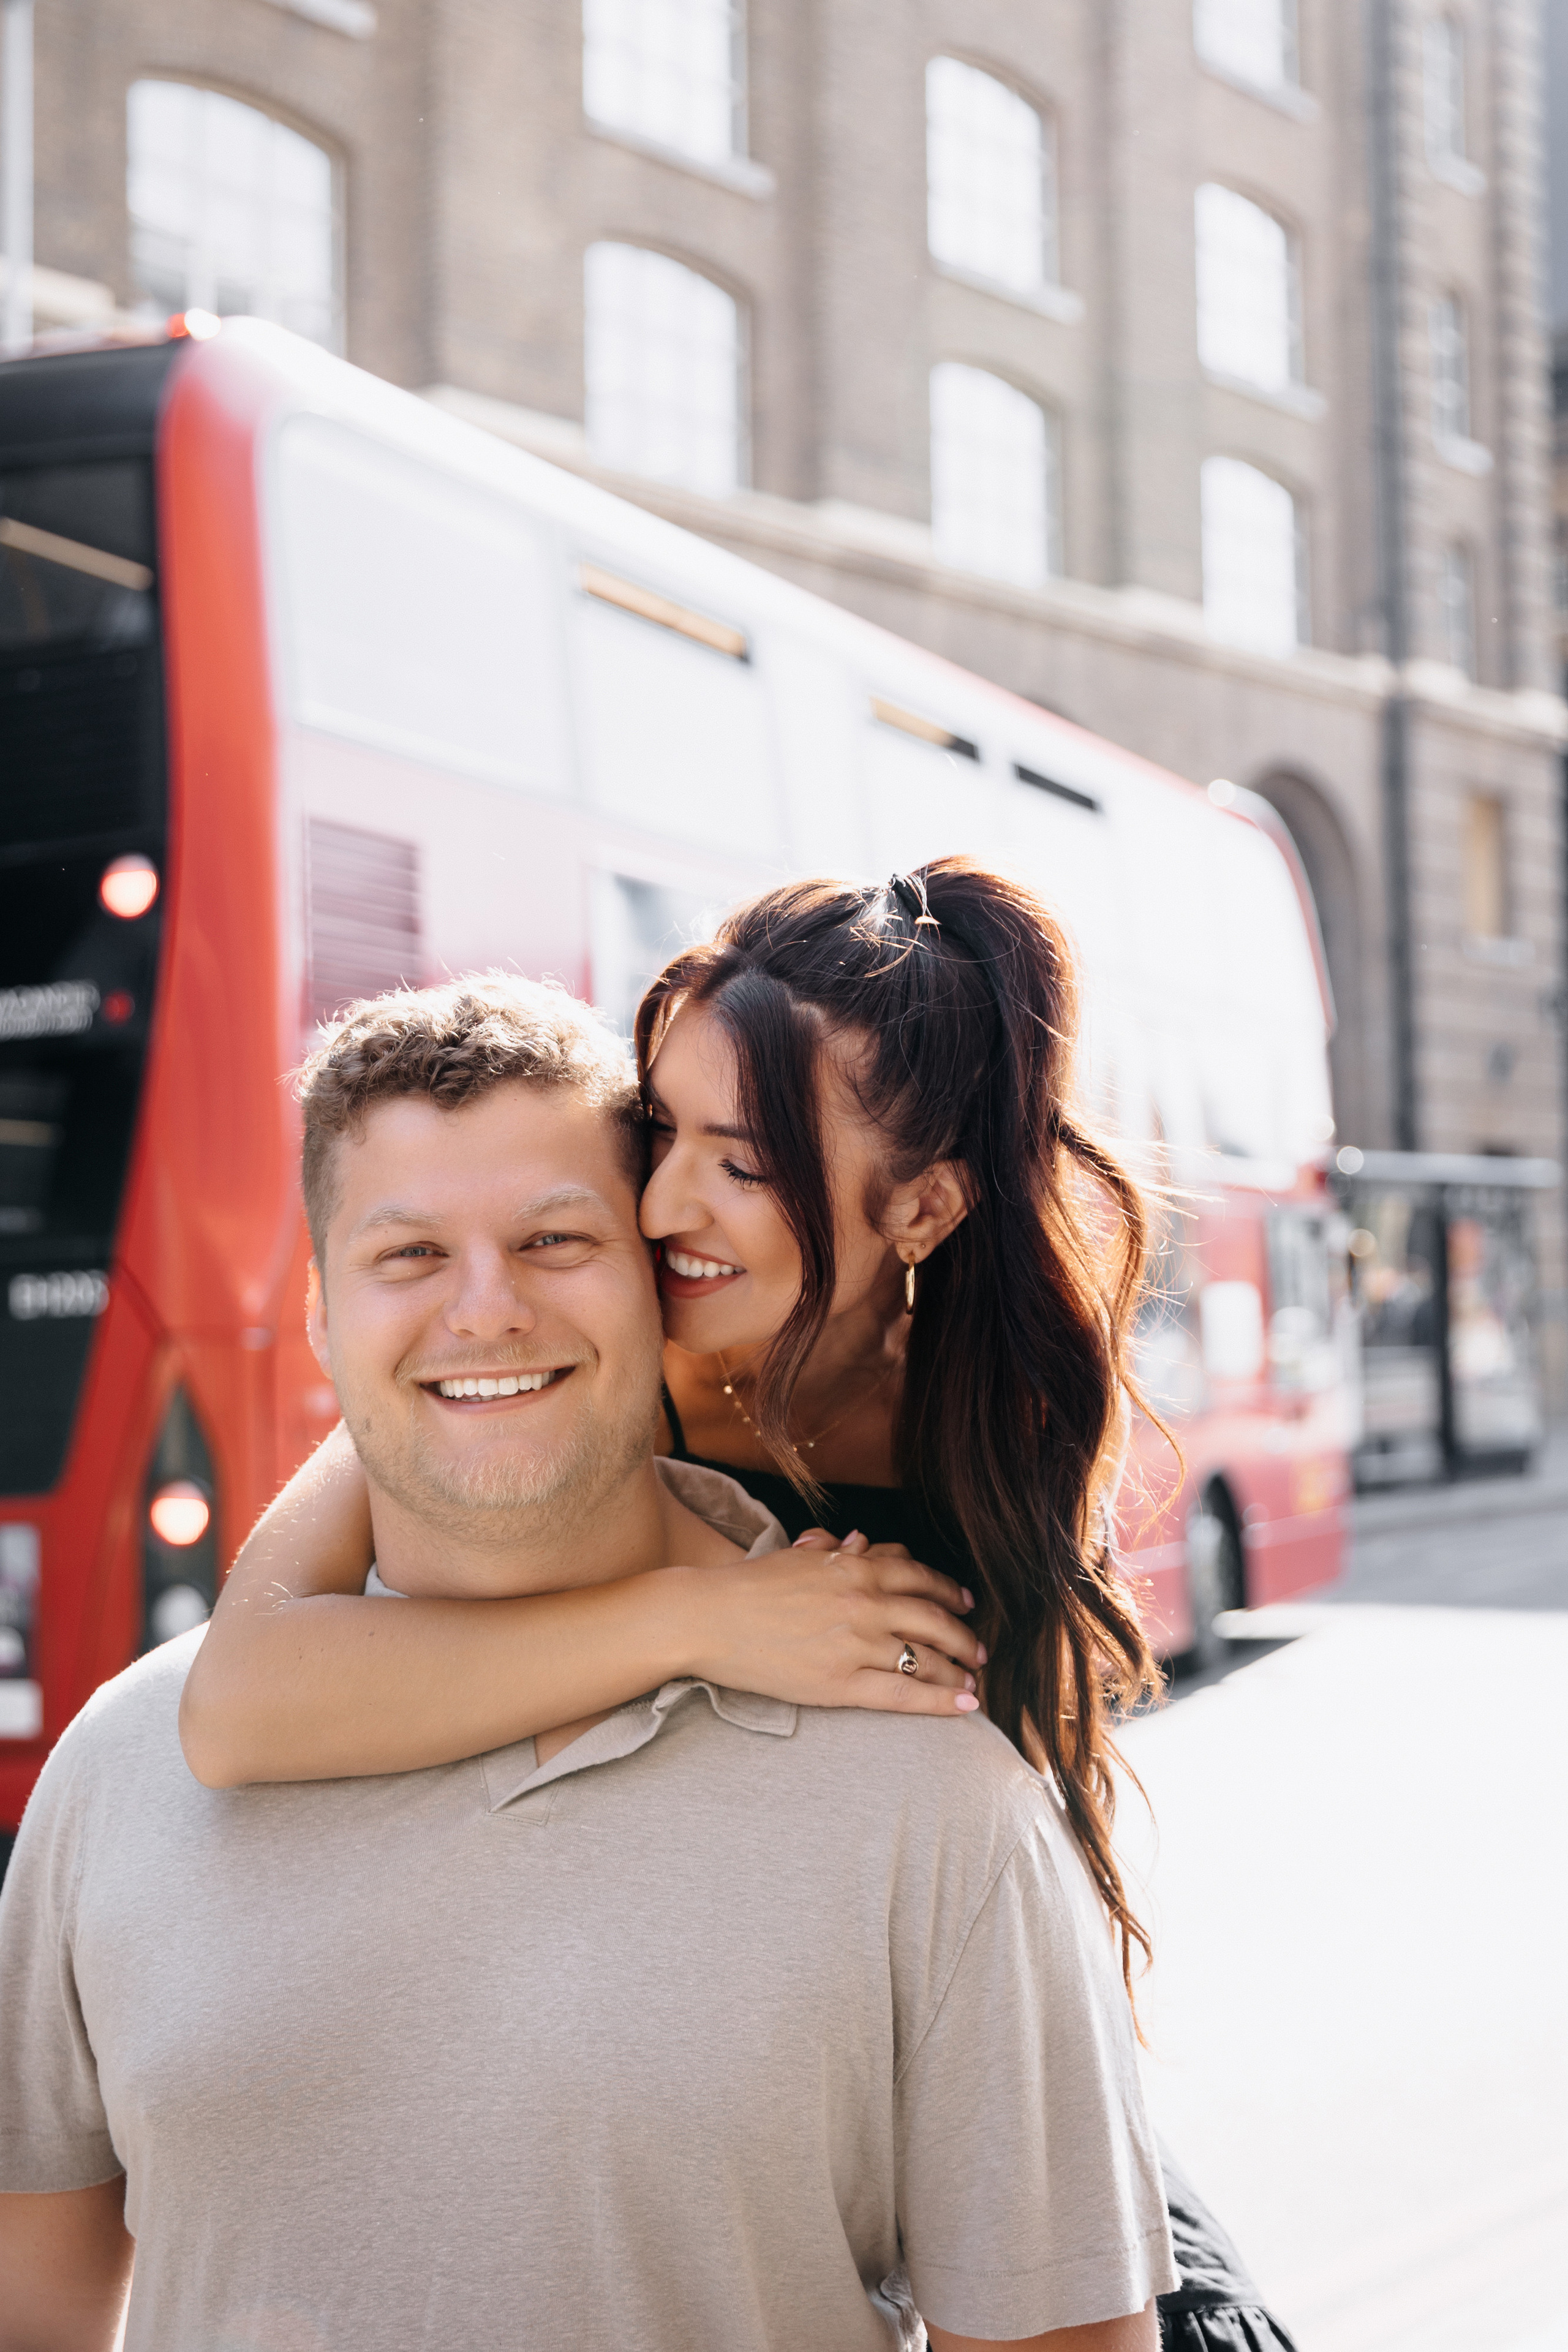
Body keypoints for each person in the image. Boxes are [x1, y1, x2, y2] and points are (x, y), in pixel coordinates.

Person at [179, 858, 1298, 2351]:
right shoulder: (571, 1335)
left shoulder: (990, 1436)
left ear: (920, 1207)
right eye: (662, 1131)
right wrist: (710, 1621)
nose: (655, 1204)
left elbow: (985, 1887)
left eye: (744, 1162)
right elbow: (238, 1703)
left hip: (935, 2089)